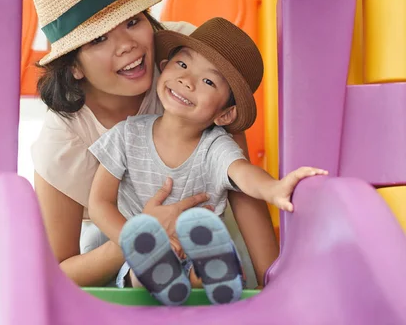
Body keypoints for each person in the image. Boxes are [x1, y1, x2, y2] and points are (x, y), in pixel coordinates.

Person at [30, 0, 279, 288]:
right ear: (73, 66)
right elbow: (57, 273)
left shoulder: (188, 58)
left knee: (219, 261)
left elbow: (236, 179)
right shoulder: (63, 140)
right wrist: (143, 237)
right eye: (99, 39)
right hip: (119, 247)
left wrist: (274, 282)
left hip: (207, 229)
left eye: (133, 21)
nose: (128, 45)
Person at [87, 17, 327, 305]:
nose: (187, 81)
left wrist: (273, 189)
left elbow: (243, 173)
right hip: (140, 255)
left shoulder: (215, 146)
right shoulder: (127, 134)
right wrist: (133, 237)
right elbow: (99, 203)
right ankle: (165, 268)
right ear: (164, 69)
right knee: (141, 273)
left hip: (194, 258)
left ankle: (216, 274)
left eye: (208, 81)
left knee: (199, 271)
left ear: (225, 115)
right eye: (183, 65)